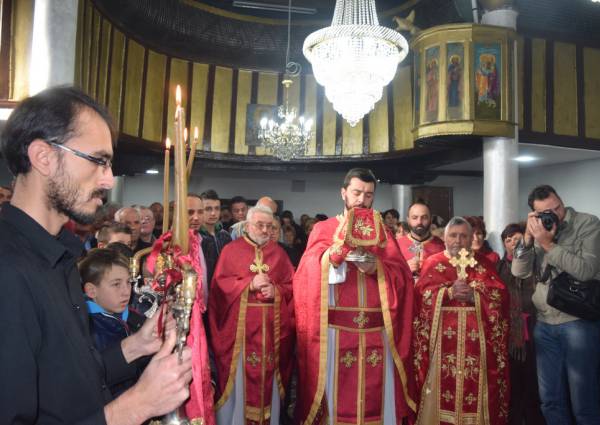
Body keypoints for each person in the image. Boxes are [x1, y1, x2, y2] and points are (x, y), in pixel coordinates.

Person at [0, 86, 192, 424]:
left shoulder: (60, 256)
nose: (108, 180)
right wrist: (136, 406)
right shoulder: (8, 269)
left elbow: (65, 381)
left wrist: (135, 346)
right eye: (98, 161)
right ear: (43, 157)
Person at [294, 168, 417, 424]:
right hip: (335, 334)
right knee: (337, 401)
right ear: (344, 193)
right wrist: (334, 256)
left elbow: (403, 279)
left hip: (377, 333)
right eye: (356, 192)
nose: (362, 200)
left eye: (368, 195)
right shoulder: (324, 229)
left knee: (377, 400)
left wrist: (376, 268)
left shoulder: (384, 232)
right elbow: (306, 274)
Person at [512, 184, 600, 425]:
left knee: (583, 403)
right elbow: (519, 271)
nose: (555, 214)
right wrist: (528, 240)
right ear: (535, 214)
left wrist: (548, 244)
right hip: (545, 323)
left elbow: (585, 271)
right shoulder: (539, 230)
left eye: (557, 207)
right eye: (546, 211)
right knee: (550, 400)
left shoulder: (588, 224)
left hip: (578, 321)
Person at [414, 216, 510, 425]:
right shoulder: (433, 263)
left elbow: (500, 297)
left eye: (463, 236)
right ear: (444, 237)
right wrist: (447, 293)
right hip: (441, 345)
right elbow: (421, 298)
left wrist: (475, 295)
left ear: (471, 238)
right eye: (453, 235)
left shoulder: (484, 264)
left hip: (477, 346)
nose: (458, 241)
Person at [209, 205, 295, 424]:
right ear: (247, 226)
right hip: (240, 336)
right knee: (239, 384)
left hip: (270, 336)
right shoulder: (231, 251)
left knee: (268, 382)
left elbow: (292, 286)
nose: (265, 230)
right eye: (260, 225)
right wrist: (249, 284)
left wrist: (276, 290)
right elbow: (219, 288)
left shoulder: (279, 253)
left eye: (269, 226)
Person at [80, 248, 147, 397]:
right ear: (91, 291)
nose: (126, 291)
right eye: (116, 284)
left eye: (128, 282)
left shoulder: (134, 316)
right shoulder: (88, 329)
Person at [495, 223, 544, 425]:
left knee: (536, 382)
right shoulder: (498, 268)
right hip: (510, 332)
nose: (513, 242)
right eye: (508, 240)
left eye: (517, 238)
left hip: (537, 326)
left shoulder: (537, 263)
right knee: (512, 382)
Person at [396, 201, 444, 280]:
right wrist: (404, 269)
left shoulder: (442, 247)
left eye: (424, 217)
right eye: (414, 218)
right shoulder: (397, 246)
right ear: (408, 220)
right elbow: (388, 277)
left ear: (431, 219)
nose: (419, 222)